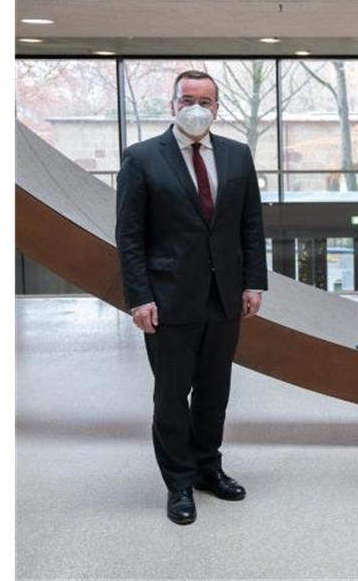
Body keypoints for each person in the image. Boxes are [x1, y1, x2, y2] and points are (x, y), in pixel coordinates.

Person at [115, 70, 268, 525]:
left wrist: (253, 282)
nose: (196, 108)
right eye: (188, 99)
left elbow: (251, 226)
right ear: (173, 106)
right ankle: (179, 483)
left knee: (214, 392)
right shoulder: (142, 158)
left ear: (217, 107)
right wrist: (139, 297)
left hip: (224, 297)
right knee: (170, 396)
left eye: (206, 101)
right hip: (168, 299)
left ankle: (208, 468)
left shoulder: (237, 156)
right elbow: (130, 236)